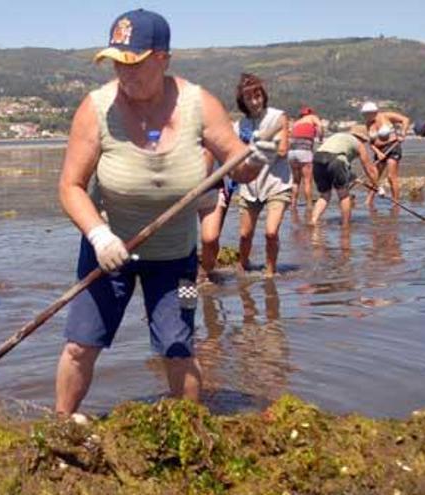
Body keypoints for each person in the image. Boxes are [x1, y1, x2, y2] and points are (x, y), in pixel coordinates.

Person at [55, 9, 266, 415]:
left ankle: (188, 428)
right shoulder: (96, 108)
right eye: (117, 62)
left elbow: (239, 166)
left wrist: (259, 158)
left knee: (179, 345)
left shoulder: (198, 104)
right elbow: (70, 187)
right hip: (107, 252)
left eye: (133, 63)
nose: (123, 72)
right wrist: (99, 235)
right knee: (80, 344)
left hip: (179, 260)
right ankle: (61, 424)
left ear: (162, 58)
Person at [234, 73, 292, 278]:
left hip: (277, 183)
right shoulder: (239, 126)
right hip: (250, 187)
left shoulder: (278, 117)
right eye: (249, 98)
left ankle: (270, 272)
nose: (254, 101)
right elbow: (235, 157)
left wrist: (259, 146)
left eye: (257, 96)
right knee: (244, 235)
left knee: (270, 232)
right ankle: (242, 267)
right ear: (243, 101)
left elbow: (283, 150)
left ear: (263, 96)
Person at [309, 125, 380, 227]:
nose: (364, 143)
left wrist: (353, 177)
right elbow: (369, 168)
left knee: (324, 195)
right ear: (362, 138)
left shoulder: (338, 136)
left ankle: (313, 220)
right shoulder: (358, 143)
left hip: (317, 159)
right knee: (343, 195)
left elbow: (337, 161)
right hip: (337, 160)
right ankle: (345, 225)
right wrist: (377, 186)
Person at [361, 101, 410, 205]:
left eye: (367, 114)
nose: (365, 116)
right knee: (374, 177)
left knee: (391, 176)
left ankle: (396, 202)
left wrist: (403, 133)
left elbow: (405, 120)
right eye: (364, 114)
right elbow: (371, 143)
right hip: (379, 151)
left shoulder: (386, 116)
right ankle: (368, 202)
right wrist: (378, 153)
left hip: (392, 147)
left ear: (374, 112)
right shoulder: (368, 123)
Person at [196, 149, 232, 284]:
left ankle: (207, 272)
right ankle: (202, 271)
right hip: (184, 190)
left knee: (211, 238)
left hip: (213, 188)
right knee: (182, 240)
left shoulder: (213, 132)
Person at [288, 106, 323, 208]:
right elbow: (320, 126)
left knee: (296, 181)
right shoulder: (312, 117)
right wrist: (320, 138)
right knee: (307, 181)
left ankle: (293, 204)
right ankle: (309, 206)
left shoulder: (297, 123)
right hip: (304, 152)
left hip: (292, 153)